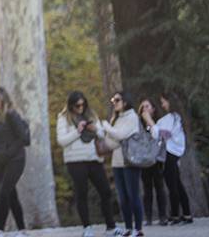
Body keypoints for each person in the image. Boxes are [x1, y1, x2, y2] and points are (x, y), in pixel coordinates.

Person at [56, 91, 116, 237]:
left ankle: (111, 227)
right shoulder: (64, 118)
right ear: (71, 105)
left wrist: (95, 129)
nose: (80, 107)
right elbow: (62, 141)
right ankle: (87, 228)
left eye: (83, 104)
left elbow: (102, 134)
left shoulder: (92, 115)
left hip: (94, 158)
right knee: (81, 193)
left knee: (105, 191)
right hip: (75, 161)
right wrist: (78, 131)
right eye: (77, 105)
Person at [101, 92, 144, 237]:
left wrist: (106, 126)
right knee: (123, 198)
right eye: (113, 99)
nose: (114, 102)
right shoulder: (117, 118)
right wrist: (111, 123)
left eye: (117, 100)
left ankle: (138, 230)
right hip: (117, 163)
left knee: (133, 196)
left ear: (125, 102)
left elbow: (120, 135)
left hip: (130, 162)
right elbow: (110, 143)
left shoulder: (132, 117)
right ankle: (128, 228)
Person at [0, 87, 29, 236]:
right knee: (11, 194)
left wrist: (8, 152)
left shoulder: (11, 115)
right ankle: (22, 229)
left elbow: (24, 138)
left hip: (16, 160)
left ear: (4, 99)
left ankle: (0, 230)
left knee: (4, 192)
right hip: (1, 161)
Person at [146, 93, 193, 225]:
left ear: (170, 102)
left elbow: (163, 134)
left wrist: (149, 120)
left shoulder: (173, 118)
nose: (162, 105)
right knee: (177, 183)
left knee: (172, 184)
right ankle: (187, 213)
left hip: (172, 152)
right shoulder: (173, 118)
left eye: (164, 102)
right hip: (173, 152)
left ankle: (175, 215)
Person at [137, 99, 168, 226]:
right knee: (147, 189)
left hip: (157, 159)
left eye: (147, 106)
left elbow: (159, 136)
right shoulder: (138, 125)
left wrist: (150, 121)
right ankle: (148, 217)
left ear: (153, 109)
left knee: (160, 187)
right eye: (142, 107)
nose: (145, 109)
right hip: (144, 160)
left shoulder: (159, 123)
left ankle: (163, 216)